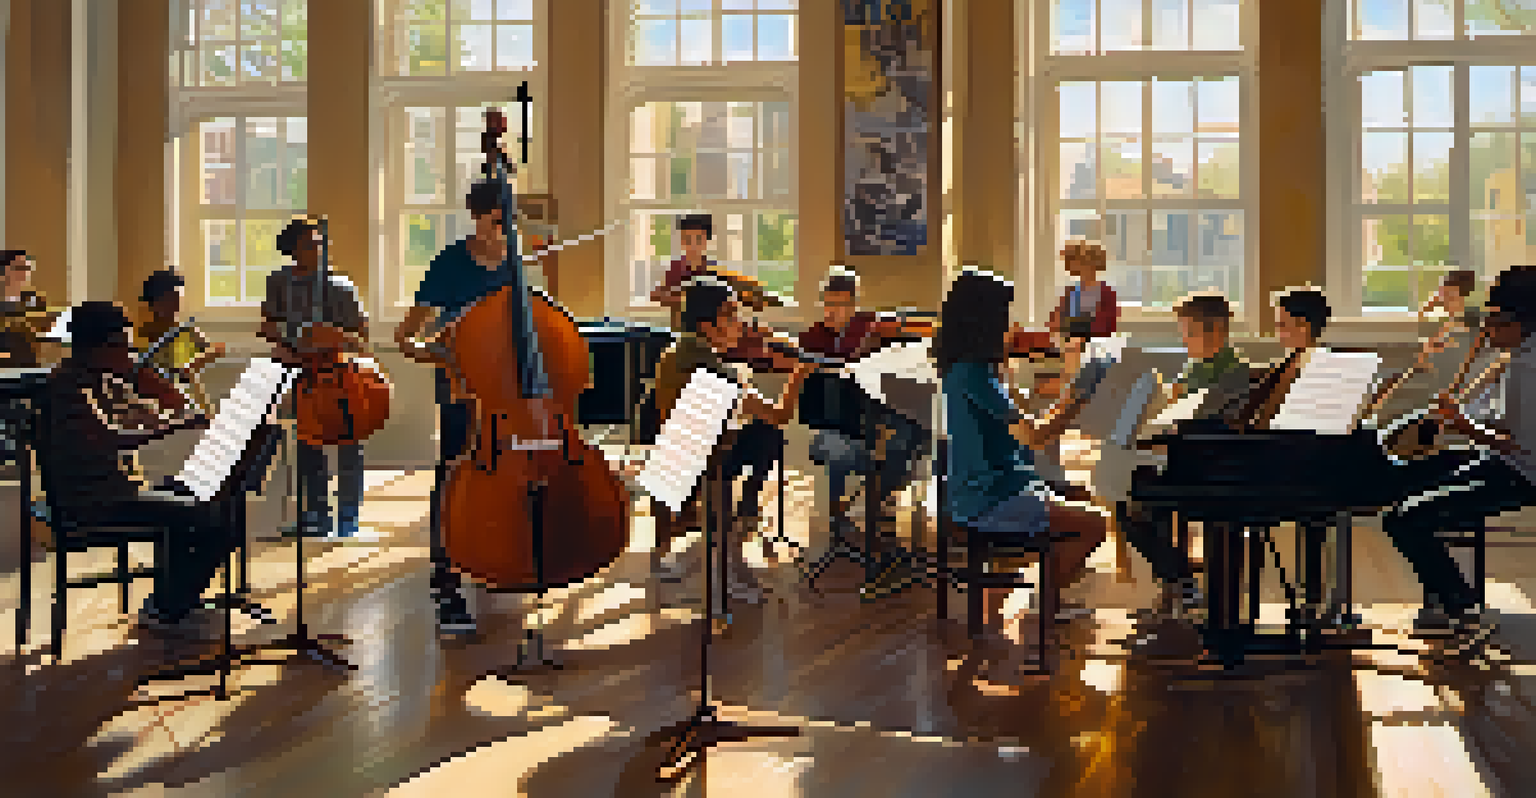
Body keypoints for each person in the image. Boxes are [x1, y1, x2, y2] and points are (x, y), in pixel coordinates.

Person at [934, 269, 1109, 641]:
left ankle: (1049, 597)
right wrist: (1079, 396)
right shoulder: (974, 375)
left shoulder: (971, 371)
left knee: (1081, 498)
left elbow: (1014, 417)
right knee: (1096, 524)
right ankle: (1041, 602)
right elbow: (1034, 436)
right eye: (1004, 316)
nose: (1010, 325)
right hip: (991, 497)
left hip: (1000, 486)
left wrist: (1006, 365)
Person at [38, 301, 230, 638]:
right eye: (125, 347)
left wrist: (155, 391)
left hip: (119, 490)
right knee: (210, 519)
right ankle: (166, 607)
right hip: (92, 501)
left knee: (209, 497)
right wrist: (173, 426)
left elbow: (157, 411)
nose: (130, 355)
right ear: (100, 347)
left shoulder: (103, 379)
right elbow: (115, 440)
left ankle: (175, 598)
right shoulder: (68, 387)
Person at [395, 180, 532, 635]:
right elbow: (406, 337)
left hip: (505, 390)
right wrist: (443, 352)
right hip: (460, 388)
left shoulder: (515, 264)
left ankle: (493, 553)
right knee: (454, 472)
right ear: (478, 217)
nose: (505, 229)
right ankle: (446, 572)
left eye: (509, 221)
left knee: (502, 468)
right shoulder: (450, 264)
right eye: (497, 220)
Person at [1383, 265, 1536, 637]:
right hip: (1501, 460)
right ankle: (1441, 601)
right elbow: (1501, 423)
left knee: (1405, 519)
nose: (1486, 329)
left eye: (1495, 320)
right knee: (1407, 477)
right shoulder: (1515, 359)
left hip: (1521, 474)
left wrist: (1462, 425)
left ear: (1520, 322)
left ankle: (1461, 607)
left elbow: (1522, 446)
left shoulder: (1526, 366)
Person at [650, 276, 815, 606]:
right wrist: (798, 374)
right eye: (731, 315)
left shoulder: (674, 354)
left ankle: (733, 538)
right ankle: (732, 552)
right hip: (703, 461)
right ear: (707, 326)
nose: (740, 324)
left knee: (762, 437)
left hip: (674, 457)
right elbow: (779, 414)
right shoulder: (718, 373)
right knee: (770, 435)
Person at [1117, 293, 1249, 632]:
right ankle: (1177, 581)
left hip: (1209, 468)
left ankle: (1179, 581)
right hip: (1186, 458)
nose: (1184, 340)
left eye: (1189, 333)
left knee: (1135, 502)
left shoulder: (1232, 373)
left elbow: (1203, 423)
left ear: (1216, 331)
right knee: (1134, 501)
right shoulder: (1199, 366)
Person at [799, 268, 930, 594]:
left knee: (915, 433)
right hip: (839, 420)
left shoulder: (872, 327)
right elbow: (822, 384)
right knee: (893, 443)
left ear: (854, 304)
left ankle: (879, 501)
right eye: (828, 304)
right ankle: (872, 508)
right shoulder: (813, 336)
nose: (833, 312)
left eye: (841, 305)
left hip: (880, 416)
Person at [259, 217, 371, 540]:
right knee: (309, 444)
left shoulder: (340, 286)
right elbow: (268, 324)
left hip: (337, 372)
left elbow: (359, 335)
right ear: (294, 250)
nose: (319, 251)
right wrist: (286, 348)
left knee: (349, 441)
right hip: (301, 370)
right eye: (310, 245)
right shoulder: (279, 282)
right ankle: (315, 514)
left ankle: (348, 516)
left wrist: (331, 337)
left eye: (321, 244)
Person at [137, 268, 225, 414]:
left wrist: (193, 364)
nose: (176, 305)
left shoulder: (187, 332)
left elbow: (218, 349)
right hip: (158, 407)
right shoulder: (140, 336)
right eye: (171, 299)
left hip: (193, 404)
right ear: (155, 302)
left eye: (178, 298)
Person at [1047, 240, 1118, 342]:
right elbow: (1055, 323)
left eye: (1077, 261)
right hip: (1068, 346)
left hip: (1094, 348)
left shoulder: (1106, 294)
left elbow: (1105, 328)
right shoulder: (1070, 293)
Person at [0, 250, 53, 367]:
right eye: (20, 268)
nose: (25, 273)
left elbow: (44, 332)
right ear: (4, 271)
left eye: (28, 268)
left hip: (31, 364)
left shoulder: (36, 301)